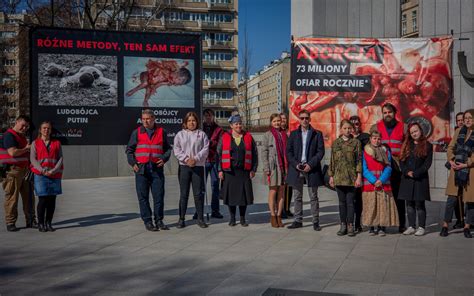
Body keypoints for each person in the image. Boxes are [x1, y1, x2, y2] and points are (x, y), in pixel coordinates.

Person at [126, 109, 171, 231]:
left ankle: (159, 220)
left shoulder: (162, 132)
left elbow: (168, 149)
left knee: (159, 196)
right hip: (142, 170)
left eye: (148, 118)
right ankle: (148, 221)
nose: (145, 121)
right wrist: (133, 163)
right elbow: (129, 150)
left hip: (157, 169)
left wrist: (164, 158)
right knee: (143, 197)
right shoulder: (137, 132)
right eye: (143, 119)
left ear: (153, 119)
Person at [286, 109, 325, 231]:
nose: (304, 120)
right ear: (299, 119)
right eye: (302, 118)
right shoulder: (293, 134)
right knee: (297, 196)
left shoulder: (317, 134)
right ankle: (298, 220)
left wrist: (311, 164)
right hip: (297, 168)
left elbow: (320, 152)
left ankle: (315, 221)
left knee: (313, 196)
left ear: (310, 119)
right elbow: (289, 152)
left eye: (306, 118)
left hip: (311, 168)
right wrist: (296, 164)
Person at [217, 114, 258, 227]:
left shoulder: (248, 137)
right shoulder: (224, 137)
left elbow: (255, 154)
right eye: (236, 124)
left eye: (240, 123)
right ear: (231, 125)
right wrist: (220, 170)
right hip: (229, 172)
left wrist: (253, 169)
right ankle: (232, 218)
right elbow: (218, 155)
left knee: (243, 197)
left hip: (244, 171)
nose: (239, 125)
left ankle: (243, 218)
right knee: (231, 197)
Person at [372, 103, 406, 233]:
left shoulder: (403, 127)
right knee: (382, 196)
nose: (387, 115)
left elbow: (407, 146)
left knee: (399, 196)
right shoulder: (376, 127)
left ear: (394, 113)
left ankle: (402, 223)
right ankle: (381, 224)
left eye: (389, 112)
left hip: (398, 167)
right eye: (385, 112)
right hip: (382, 167)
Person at [440, 109, 474, 238]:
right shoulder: (459, 131)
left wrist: (467, 164)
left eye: (470, 117)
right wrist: (451, 160)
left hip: (470, 171)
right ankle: (445, 225)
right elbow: (450, 147)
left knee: (470, 201)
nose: (467, 120)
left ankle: (467, 226)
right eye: (465, 117)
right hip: (456, 169)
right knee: (452, 199)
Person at [0, 116, 36, 232]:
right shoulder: (9, 135)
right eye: (23, 125)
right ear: (17, 122)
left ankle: (30, 220)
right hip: (12, 171)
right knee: (12, 198)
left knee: (29, 197)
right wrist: (26, 149)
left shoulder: (22, 137)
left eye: (26, 126)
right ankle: (10, 222)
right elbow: (12, 152)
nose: (24, 128)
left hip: (24, 170)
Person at [173, 112, 209, 228]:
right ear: (185, 122)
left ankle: (200, 218)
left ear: (197, 122)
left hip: (198, 166)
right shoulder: (180, 135)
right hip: (184, 167)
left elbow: (205, 149)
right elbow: (177, 149)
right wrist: (186, 159)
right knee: (184, 194)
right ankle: (181, 219)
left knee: (198, 194)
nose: (191, 123)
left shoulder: (202, 134)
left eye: (193, 120)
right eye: (189, 121)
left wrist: (196, 159)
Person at [329, 119, 362, 236]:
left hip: (351, 178)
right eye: (345, 128)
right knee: (341, 203)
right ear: (341, 129)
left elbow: (359, 160)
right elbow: (332, 160)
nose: (347, 130)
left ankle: (350, 225)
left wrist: (359, 177)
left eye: (349, 128)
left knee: (350, 203)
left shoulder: (356, 143)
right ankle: (343, 225)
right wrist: (331, 176)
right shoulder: (336, 143)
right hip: (338, 178)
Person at [362, 130, 399, 236]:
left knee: (383, 206)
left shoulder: (386, 151)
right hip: (370, 184)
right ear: (370, 139)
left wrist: (381, 180)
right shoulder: (365, 151)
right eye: (374, 138)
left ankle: (382, 226)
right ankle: (372, 227)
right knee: (371, 206)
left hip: (383, 184)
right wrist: (374, 181)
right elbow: (364, 169)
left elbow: (389, 167)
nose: (377, 141)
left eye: (379, 139)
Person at [398, 123, 433, 236]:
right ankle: (412, 226)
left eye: (416, 131)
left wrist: (416, 173)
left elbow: (427, 164)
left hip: (420, 179)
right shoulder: (406, 144)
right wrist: (407, 172)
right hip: (407, 178)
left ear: (420, 131)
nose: (414, 134)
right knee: (409, 204)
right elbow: (401, 161)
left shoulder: (428, 145)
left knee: (419, 204)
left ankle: (422, 227)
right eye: (412, 132)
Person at [30, 121, 63, 232]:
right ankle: (41, 224)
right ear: (40, 130)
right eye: (44, 128)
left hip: (54, 174)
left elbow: (60, 159)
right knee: (43, 199)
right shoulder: (35, 143)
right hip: (40, 175)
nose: (46, 130)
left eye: (48, 128)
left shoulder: (57, 143)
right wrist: (43, 170)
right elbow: (33, 159)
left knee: (52, 200)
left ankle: (49, 223)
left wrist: (53, 171)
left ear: (51, 130)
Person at [126, 59, 192, 107]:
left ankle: (145, 101)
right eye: (179, 81)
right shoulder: (170, 70)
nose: (178, 84)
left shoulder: (170, 82)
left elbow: (160, 84)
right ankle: (133, 90)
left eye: (180, 84)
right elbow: (164, 65)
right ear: (177, 75)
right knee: (145, 83)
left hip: (152, 82)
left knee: (149, 90)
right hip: (147, 75)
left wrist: (154, 88)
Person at [262, 114, 288, 228]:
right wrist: (266, 167)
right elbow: (264, 152)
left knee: (282, 192)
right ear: (271, 122)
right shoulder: (267, 135)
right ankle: (272, 216)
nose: (277, 123)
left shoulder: (285, 134)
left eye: (279, 121)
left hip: (284, 167)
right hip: (273, 167)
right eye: (275, 121)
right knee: (273, 191)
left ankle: (279, 216)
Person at [201, 108, 224, 219]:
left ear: (213, 116)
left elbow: (220, 143)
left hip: (214, 161)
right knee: (201, 187)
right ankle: (199, 210)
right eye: (206, 115)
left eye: (210, 115)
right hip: (203, 161)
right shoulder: (200, 128)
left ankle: (215, 210)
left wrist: (210, 142)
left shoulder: (219, 129)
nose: (208, 117)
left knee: (215, 186)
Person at [350, 115, 370, 232]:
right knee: (349, 200)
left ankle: (357, 223)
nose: (354, 127)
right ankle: (349, 223)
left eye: (356, 124)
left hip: (361, 172)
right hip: (348, 173)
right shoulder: (345, 138)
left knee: (358, 199)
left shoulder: (365, 137)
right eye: (351, 125)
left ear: (360, 125)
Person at [280, 112, 293, 218]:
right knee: (281, 188)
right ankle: (280, 209)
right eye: (281, 119)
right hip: (281, 163)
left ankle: (287, 208)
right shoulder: (278, 132)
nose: (283, 120)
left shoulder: (290, 132)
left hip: (290, 163)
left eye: (285, 119)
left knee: (289, 188)